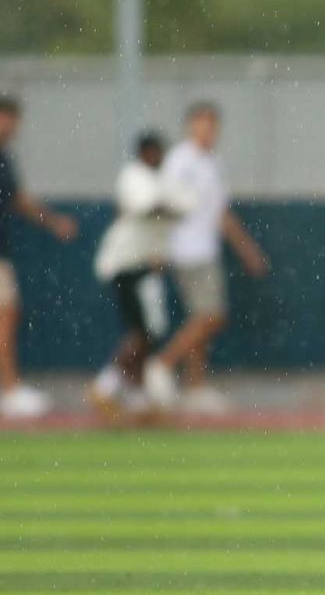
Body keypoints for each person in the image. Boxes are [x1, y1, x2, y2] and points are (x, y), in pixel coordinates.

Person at [144, 101, 268, 414]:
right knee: (211, 316)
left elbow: (221, 214)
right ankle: (161, 364)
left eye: (213, 125)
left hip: (206, 249)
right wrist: (158, 247)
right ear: (190, 126)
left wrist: (247, 250)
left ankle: (194, 386)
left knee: (201, 317)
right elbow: (162, 206)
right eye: (202, 124)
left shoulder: (213, 163)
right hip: (186, 249)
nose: (208, 130)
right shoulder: (180, 161)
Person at [90, 132, 197, 421]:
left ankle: (137, 398)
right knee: (141, 332)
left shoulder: (164, 178)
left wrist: (167, 206)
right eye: (151, 152)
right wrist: (167, 207)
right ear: (142, 154)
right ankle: (106, 385)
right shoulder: (133, 176)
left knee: (149, 332)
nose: (155, 157)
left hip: (148, 266)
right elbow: (149, 206)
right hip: (126, 263)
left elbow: (187, 204)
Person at [0, 95, 77, 419]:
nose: (11, 126)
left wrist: (53, 220)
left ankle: (9, 389)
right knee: (6, 314)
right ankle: (8, 390)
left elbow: (17, 200)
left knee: (8, 313)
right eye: (7, 118)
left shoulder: (5, 157)